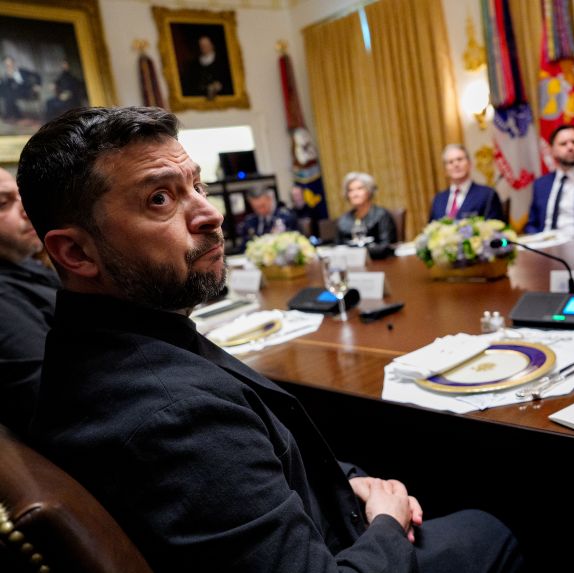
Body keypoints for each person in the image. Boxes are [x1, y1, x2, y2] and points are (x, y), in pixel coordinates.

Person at [18, 106, 522, 573]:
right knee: (493, 527)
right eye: (160, 199)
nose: (210, 214)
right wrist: (387, 521)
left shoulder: (92, 345)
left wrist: (343, 484)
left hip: (321, 515)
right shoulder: (171, 418)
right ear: (77, 253)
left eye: (198, 185)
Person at [0, 167, 60, 436]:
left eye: (21, 196)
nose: (27, 210)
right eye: (4, 203)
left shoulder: (23, 263)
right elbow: (53, 402)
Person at [428, 144, 504, 222]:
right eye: (450, 162)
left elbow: (497, 229)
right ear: (445, 170)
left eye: (460, 159)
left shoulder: (488, 195)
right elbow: (430, 230)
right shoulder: (438, 200)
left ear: (470, 164)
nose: (456, 164)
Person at [335, 172, 397, 258]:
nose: (355, 194)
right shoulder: (343, 220)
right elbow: (338, 247)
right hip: (351, 265)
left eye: (359, 189)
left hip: (380, 263)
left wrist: (358, 252)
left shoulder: (382, 215)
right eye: (350, 190)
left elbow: (387, 246)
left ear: (369, 191)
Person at [0, 56, 42, 121]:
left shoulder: (22, 71)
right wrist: (5, 79)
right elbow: (5, 86)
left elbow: (37, 75)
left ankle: (11, 115)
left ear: (13, 63)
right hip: (14, 93)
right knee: (7, 93)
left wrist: (38, 85)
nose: (9, 66)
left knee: (8, 95)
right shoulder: (6, 75)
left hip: (26, 91)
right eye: (7, 65)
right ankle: (14, 115)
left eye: (10, 64)